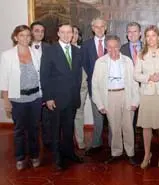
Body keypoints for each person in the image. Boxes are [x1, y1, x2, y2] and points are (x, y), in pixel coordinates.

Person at [40, 23, 83, 170]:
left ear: (73, 34)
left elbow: (77, 76)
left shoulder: (77, 51)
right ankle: (57, 158)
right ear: (58, 33)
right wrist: (48, 98)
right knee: (56, 130)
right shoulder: (50, 51)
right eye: (63, 32)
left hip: (72, 98)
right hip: (56, 99)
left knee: (69, 129)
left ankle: (69, 153)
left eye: (69, 32)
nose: (66, 35)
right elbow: (44, 76)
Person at [92, 35, 139, 165]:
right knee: (114, 127)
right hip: (110, 97)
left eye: (116, 47)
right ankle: (116, 152)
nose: (113, 50)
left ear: (120, 47)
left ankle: (130, 153)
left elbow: (135, 83)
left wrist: (135, 101)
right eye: (110, 47)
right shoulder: (100, 62)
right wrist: (100, 104)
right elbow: (95, 85)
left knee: (128, 126)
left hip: (126, 95)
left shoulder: (127, 61)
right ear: (106, 48)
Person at [0, 25, 42, 170]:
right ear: (15, 37)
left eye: (28, 35)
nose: (25, 38)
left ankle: (35, 155)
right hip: (17, 100)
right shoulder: (7, 55)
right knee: (19, 130)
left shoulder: (36, 53)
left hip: (36, 98)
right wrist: (6, 101)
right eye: (22, 35)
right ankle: (20, 157)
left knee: (34, 129)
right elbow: (4, 80)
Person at [134, 25, 159, 169]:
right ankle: (147, 154)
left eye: (153, 35)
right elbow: (136, 74)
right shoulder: (141, 54)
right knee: (146, 126)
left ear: (158, 37)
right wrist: (148, 77)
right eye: (148, 36)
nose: (150, 38)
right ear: (145, 38)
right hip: (147, 94)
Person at [82, 18, 107, 155]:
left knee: (113, 119)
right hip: (95, 88)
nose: (99, 29)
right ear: (92, 28)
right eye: (96, 27)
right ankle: (96, 144)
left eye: (102, 26)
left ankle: (112, 145)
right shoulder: (86, 46)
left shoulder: (112, 43)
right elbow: (86, 65)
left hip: (112, 88)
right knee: (97, 118)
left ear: (106, 28)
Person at [120, 22, 142, 148]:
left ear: (140, 34)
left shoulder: (147, 48)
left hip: (145, 87)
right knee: (129, 119)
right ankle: (130, 144)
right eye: (129, 32)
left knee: (143, 117)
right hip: (128, 89)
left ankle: (144, 145)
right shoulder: (121, 49)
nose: (132, 34)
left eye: (135, 31)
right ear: (127, 35)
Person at [30, 21, 52, 149]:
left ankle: (47, 143)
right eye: (37, 30)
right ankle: (33, 147)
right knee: (32, 121)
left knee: (47, 119)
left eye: (42, 31)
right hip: (30, 90)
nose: (40, 33)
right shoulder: (25, 48)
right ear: (31, 32)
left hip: (45, 89)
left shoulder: (49, 47)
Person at [72, 25, 88, 150]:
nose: (74, 35)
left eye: (76, 32)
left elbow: (86, 68)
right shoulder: (61, 50)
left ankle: (80, 140)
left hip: (81, 88)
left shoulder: (83, 50)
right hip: (65, 90)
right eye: (72, 32)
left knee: (79, 114)